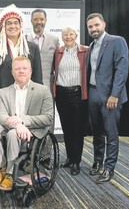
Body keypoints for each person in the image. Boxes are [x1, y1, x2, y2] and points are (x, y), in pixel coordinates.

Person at [0, 56, 53, 191]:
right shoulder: (4, 92)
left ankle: (10, 174)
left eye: (24, 68)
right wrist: (18, 125)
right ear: (12, 72)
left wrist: (23, 120)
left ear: (30, 71)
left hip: (33, 131)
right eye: (17, 69)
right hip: (11, 126)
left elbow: (48, 118)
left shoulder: (43, 90)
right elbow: (1, 117)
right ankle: (0, 169)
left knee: (12, 134)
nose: (21, 71)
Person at [86, 13, 129, 183]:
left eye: (96, 25)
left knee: (111, 133)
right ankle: (97, 162)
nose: (94, 29)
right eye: (90, 26)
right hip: (93, 93)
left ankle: (109, 167)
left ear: (104, 24)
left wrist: (114, 95)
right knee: (97, 132)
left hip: (111, 96)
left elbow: (122, 70)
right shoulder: (91, 45)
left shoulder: (117, 41)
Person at [0, 4, 42, 107]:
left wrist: (37, 98)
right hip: (4, 100)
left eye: (15, 23)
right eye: (9, 23)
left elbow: (37, 76)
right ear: (3, 27)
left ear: (20, 26)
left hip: (28, 99)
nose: (13, 26)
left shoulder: (32, 48)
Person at [53, 26, 89, 175]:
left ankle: (76, 161)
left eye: (71, 34)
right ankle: (69, 157)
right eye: (65, 35)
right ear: (62, 37)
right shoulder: (58, 52)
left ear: (76, 35)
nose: (68, 37)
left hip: (77, 93)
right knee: (66, 128)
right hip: (61, 93)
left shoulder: (85, 51)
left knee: (77, 129)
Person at [27, 9, 59, 133]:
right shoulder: (24, 39)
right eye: (36, 19)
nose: (38, 22)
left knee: (48, 121)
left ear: (45, 21)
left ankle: (46, 152)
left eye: (41, 19)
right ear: (31, 21)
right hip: (29, 88)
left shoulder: (54, 40)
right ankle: (31, 152)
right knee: (30, 121)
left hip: (48, 88)